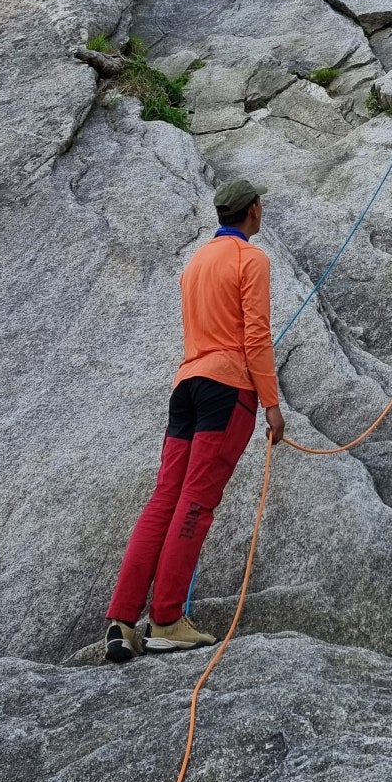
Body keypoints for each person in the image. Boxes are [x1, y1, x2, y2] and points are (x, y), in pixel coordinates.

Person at [103, 179, 285, 661]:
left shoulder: (196, 262)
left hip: (187, 385)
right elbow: (256, 335)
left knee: (165, 495)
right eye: (259, 206)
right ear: (252, 212)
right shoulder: (252, 260)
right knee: (197, 500)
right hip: (228, 389)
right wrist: (272, 404)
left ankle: (123, 621)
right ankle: (165, 619)